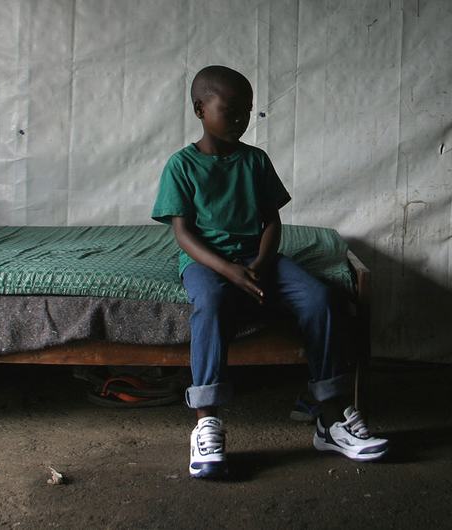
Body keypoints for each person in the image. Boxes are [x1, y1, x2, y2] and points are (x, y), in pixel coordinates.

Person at [150, 65, 388, 479]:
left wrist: (258, 264)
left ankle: (329, 418)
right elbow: (183, 234)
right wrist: (230, 271)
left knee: (321, 299)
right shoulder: (182, 166)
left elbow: (272, 222)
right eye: (230, 110)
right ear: (200, 109)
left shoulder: (255, 161)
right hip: (207, 261)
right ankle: (207, 421)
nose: (240, 119)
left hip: (259, 259)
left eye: (247, 111)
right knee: (210, 302)